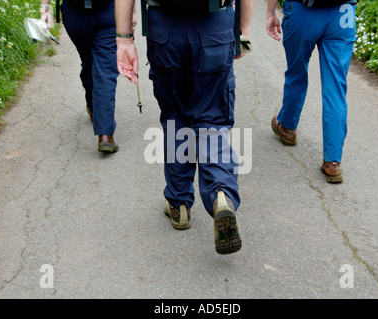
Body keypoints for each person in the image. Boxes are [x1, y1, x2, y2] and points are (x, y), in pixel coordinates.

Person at [115, 0, 252, 254]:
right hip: (215, 24)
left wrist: (124, 40)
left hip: (165, 28)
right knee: (212, 118)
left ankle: (179, 205)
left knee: (174, 115)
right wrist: (241, 33)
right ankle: (221, 193)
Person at [266, 0, 357, 183]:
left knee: (296, 74)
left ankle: (287, 127)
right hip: (343, 13)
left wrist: (270, 13)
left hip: (303, 11)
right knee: (335, 88)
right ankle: (333, 162)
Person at [40, 0, 135, 153]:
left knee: (90, 62)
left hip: (75, 15)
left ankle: (96, 114)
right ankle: (105, 134)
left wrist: (45, 7)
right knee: (104, 70)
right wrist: (132, 13)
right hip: (108, 12)